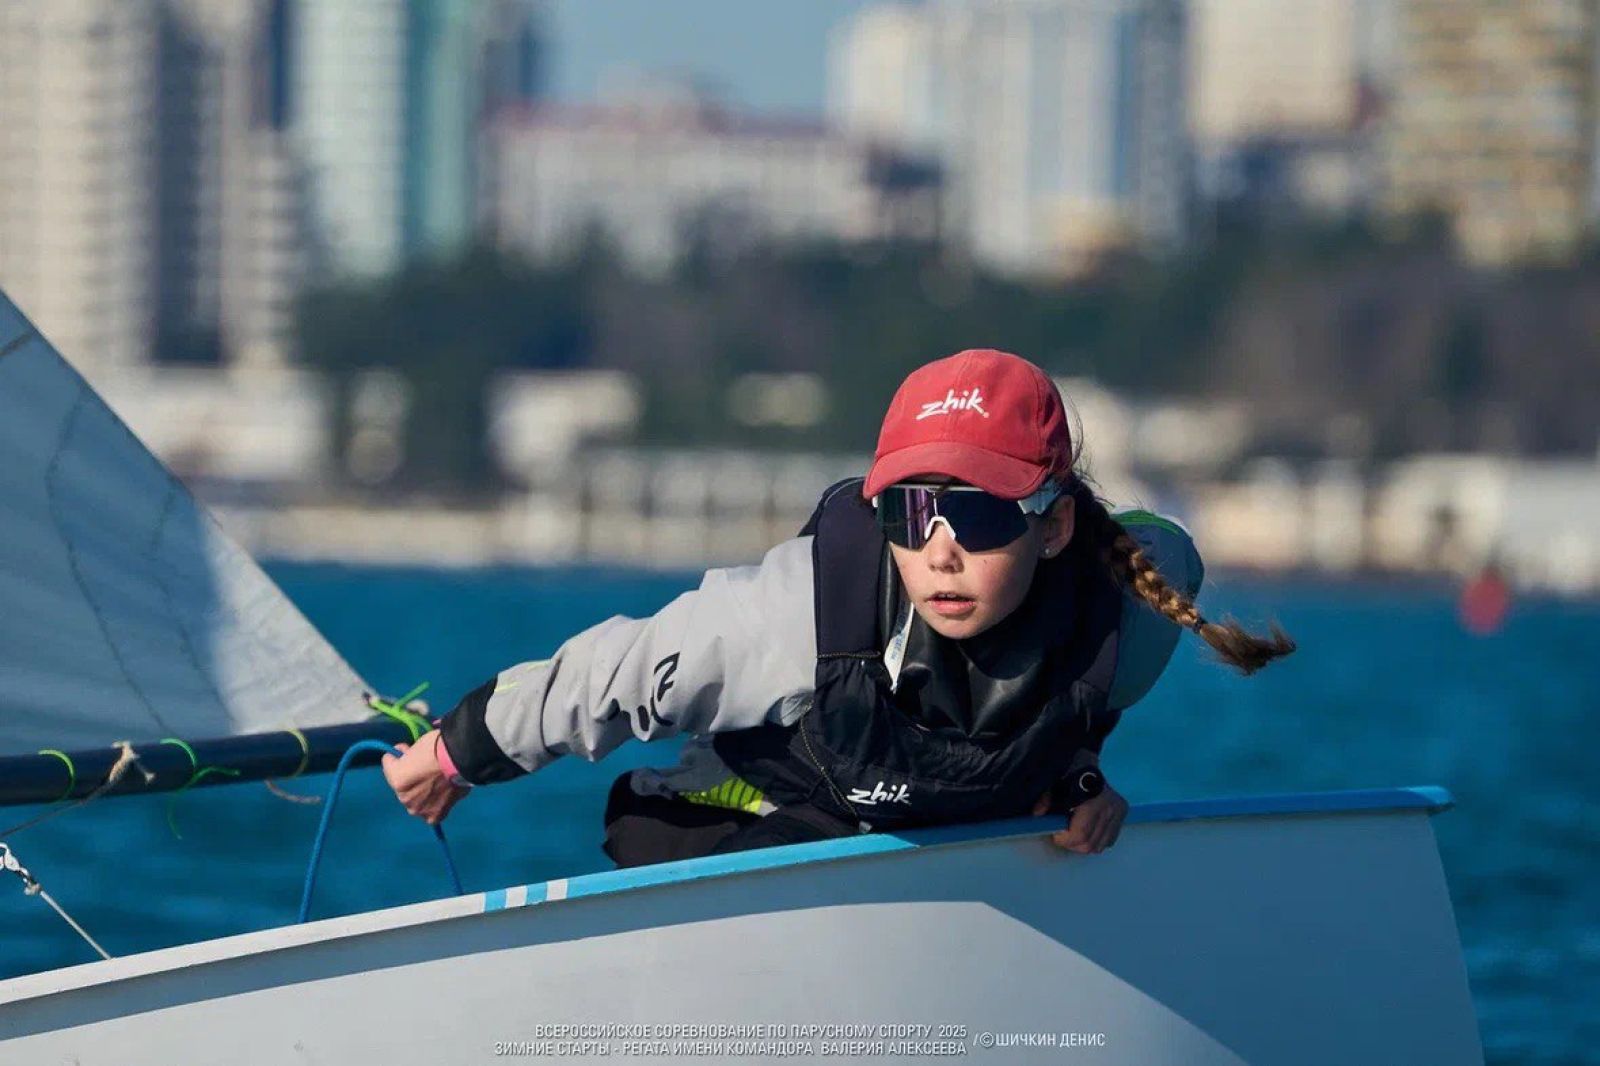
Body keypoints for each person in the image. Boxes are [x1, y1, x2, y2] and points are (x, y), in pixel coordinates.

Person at [383, 349, 1295, 866]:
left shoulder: (1133, 612)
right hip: (736, 828)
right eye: (910, 512)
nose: (939, 550)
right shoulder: (798, 617)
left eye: (978, 515)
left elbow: (1100, 673)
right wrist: (454, 754)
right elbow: (609, 678)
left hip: (918, 865)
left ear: (1054, 528)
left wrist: (1079, 776)